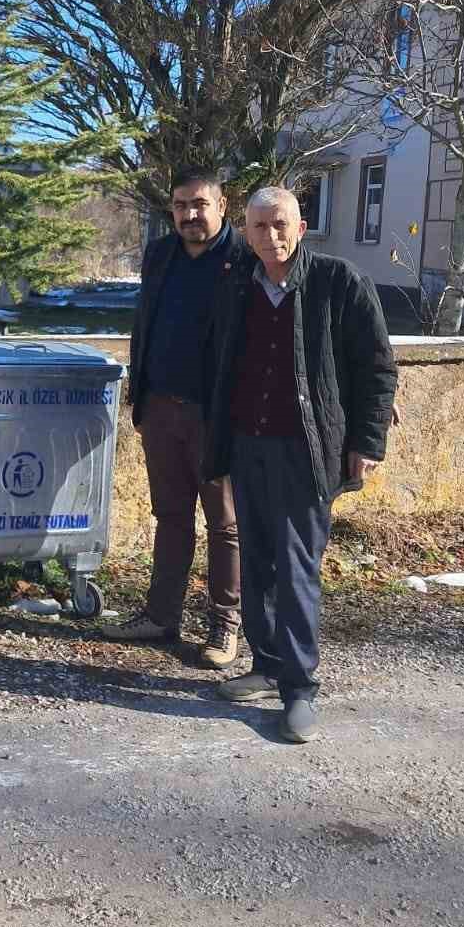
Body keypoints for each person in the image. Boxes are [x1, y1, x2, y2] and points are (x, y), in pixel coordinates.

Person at [202, 186, 397, 743]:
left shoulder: (339, 282)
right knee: (257, 558)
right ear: (245, 232)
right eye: (259, 227)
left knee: (295, 565)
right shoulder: (237, 284)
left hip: (309, 449)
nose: (271, 236)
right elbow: (218, 360)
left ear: (301, 225)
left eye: (280, 224)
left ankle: (299, 688)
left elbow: (378, 370)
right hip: (247, 444)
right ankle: (266, 665)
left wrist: (367, 443)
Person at [100, 167, 249, 667]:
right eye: (181, 205)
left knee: (224, 524)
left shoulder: (243, 260)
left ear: (221, 206)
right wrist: (139, 397)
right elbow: (145, 323)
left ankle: (224, 627)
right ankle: (161, 616)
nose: (189, 214)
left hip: (216, 415)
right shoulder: (160, 254)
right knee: (170, 516)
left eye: (200, 204)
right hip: (161, 406)